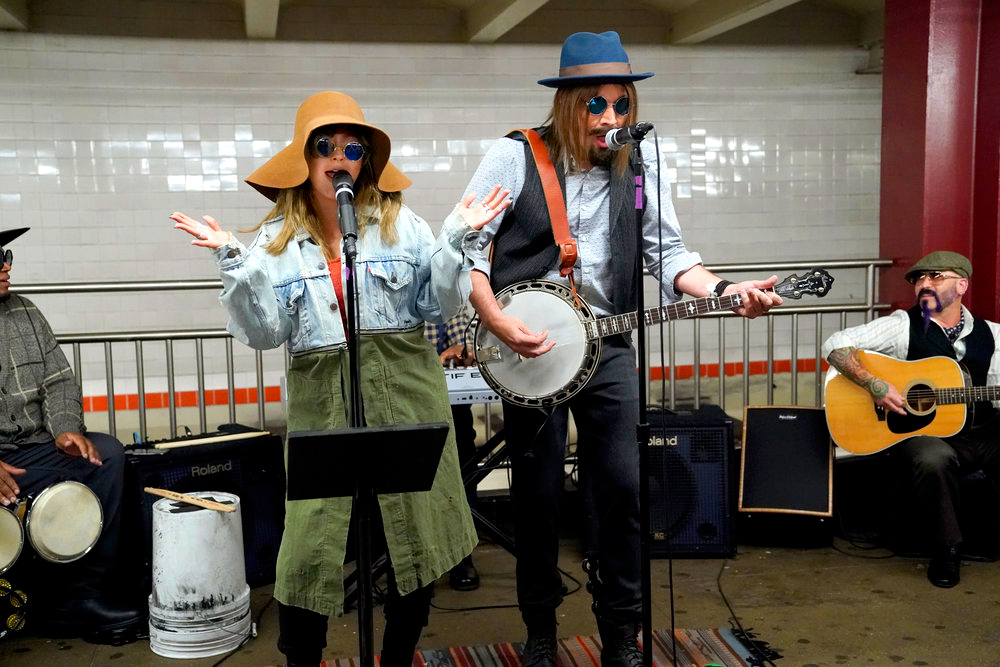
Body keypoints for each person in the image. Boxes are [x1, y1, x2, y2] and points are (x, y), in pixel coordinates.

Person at [454, 31, 780, 666]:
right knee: (539, 494)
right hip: (532, 348)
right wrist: (494, 320)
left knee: (626, 489)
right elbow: (466, 246)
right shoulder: (512, 157)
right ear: (566, 104)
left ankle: (622, 634)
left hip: (609, 344)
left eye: (621, 104)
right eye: (595, 105)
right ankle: (542, 631)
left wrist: (725, 289)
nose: (611, 118)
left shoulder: (640, 164)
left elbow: (668, 254)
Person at [170, 91, 508, 666]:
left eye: (353, 148)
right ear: (305, 158)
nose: (339, 156)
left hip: (405, 405)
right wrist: (233, 261)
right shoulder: (275, 242)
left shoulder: (405, 225)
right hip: (323, 415)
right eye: (324, 145)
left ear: (364, 163)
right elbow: (264, 332)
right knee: (308, 555)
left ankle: (397, 656)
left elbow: (438, 304)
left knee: (413, 548)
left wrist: (455, 241)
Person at [0, 226, 146, 643]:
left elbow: (59, 381)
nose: (7, 267)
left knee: (108, 455)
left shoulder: (26, 313)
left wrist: (65, 430)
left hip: (35, 449)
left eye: (6, 256)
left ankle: (85, 595)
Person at [822, 251, 1000, 589]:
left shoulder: (992, 334)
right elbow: (836, 344)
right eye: (918, 279)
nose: (924, 283)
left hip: (982, 433)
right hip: (926, 436)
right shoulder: (903, 325)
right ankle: (948, 548)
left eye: (936, 276)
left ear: (962, 284)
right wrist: (873, 384)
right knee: (934, 459)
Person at [424, 309, 480, 591]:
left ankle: (461, 551)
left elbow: (463, 335)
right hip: (395, 391)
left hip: (441, 396)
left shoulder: (436, 277)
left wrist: (462, 349)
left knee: (460, 444)